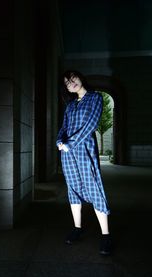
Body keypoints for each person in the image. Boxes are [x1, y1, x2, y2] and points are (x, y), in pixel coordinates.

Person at [56, 70, 112, 255]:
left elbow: (91, 124)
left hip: (84, 149)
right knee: (72, 189)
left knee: (93, 187)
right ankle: (77, 228)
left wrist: (70, 143)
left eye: (73, 79)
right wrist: (59, 141)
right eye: (67, 83)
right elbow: (64, 127)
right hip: (67, 153)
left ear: (80, 78)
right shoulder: (70, 105)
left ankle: (105, 235)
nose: (70, 83)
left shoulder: (95, 98)